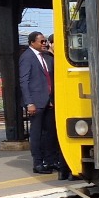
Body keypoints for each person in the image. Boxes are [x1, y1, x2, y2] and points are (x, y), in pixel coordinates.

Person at [18, 31, 65, 177]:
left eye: (45, 41)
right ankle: (37, 163)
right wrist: (29, 102)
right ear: (33, 42)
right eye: (42, 41)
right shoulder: (27, 57)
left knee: (50, 133)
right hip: (36, 102)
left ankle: (51, 161)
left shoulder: (46, 57)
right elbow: (24, 82)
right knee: (37, 134)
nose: (45, 43)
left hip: (48, 101)